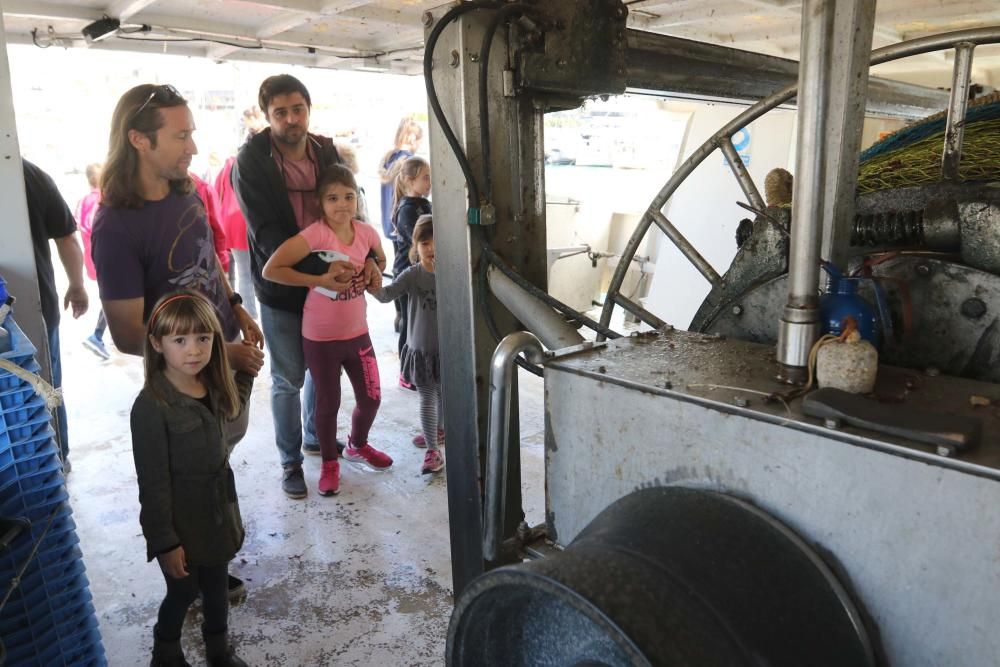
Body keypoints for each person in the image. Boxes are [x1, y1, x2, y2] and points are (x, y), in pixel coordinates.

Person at [91, 83, 263, 600]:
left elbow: (208, 260)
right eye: (181, 135)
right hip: (184, 383)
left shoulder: (186, 191)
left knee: (216, 467)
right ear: (138, 140)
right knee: (187, 478)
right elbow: (125, 334)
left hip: (227, 363)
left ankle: (209, 554)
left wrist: (234, 307)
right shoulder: (115, 227)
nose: (193, 146)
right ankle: (189, 580)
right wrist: (218, 352)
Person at [232, 74, 379, 499]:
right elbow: (265, 234)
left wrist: (366, 258)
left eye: (298, 109)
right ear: (267, 117)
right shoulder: (252, 162)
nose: (291, 119)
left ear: (308, 109)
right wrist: (320, 272)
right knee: (288, 378)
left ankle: (319, 437)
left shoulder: (325, 150)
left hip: (332, 285)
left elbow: (352, 209)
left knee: (322, 368)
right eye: (280, 112)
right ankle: (290, 463)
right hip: (285, 286)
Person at [130, 291, 252, 667]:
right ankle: (165, 653)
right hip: (181, 524)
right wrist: (165, 543)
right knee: (182, 594)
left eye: (203, 338)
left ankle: (218, 652)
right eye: (180, 340)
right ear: (157, 344)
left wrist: (246, 372)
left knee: (216, 590)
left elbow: (234, 407)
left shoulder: (212, 384)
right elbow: (153, 485)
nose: (194, 350)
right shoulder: (151, 406)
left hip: (218, 514)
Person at [263, 165, 391, 497]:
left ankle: (357, 444)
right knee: (327, 403)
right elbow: (271, 269)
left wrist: (375, 266)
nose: (342, 205)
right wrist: (318, 280)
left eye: (349, 196)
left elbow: (381, 258)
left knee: (372, 398)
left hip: (358, 333)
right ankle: (329, 464)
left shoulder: (365, 232)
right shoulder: (316, 234)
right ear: (320, 203)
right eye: (333, 198)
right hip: (319, 338)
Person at [22, 159, 89, 470]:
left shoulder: (31, 175)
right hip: (38, 307)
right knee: (48, 385)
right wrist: (77, 286)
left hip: (38, 309)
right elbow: (67, 238)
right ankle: (57, 458)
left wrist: (77, 285)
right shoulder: (32, 174)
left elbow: (67, 236)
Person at [370, 215, 444, 474]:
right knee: (427, 396)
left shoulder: (454, 273)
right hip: (421, 349)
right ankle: (433, 450)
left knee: (442, 395)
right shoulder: (412, 275)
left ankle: (438, 431)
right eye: (425, 243)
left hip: (447, 350)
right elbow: (386, 295)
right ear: (416, 246)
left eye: (437, 242)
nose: (432, 249)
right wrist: (371, 282)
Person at [390, 156, 432, 384]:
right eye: (426, 177)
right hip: (408, 276)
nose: (430, 182)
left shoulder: (425, 205)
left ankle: (420, 369)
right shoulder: (406, 209)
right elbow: (418, 240)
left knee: (421, 325)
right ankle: (405, 373)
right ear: (409, 180)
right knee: (410, 324)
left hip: (424, 273)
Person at [75, 162, 111, 360]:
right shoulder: (101, 200)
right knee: (113, 294)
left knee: (109, 293)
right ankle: (97, 335)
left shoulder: (83, 201)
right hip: (105, 258)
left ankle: (101, 335)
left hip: (92, 258)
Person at [378, 117, 422, 239]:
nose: (419, 145)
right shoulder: (409, 162)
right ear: (413, 138)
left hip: (390, 224)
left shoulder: (389, 158)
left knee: (398, 257)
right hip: (405, 224)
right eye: (420, 141)